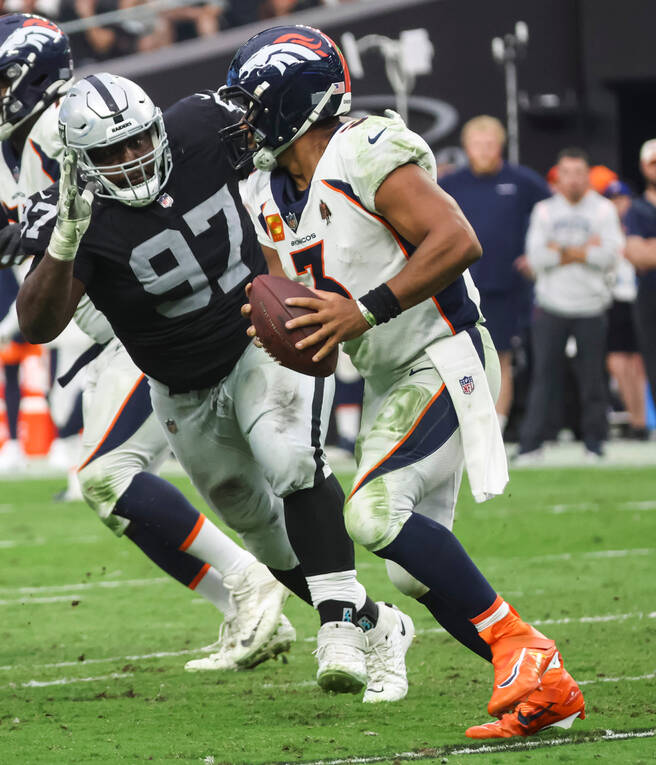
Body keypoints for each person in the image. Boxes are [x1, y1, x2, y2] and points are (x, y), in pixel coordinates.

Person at [0, 13, 293, 672]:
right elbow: (19, 235)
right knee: (114, 488)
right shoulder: (3, 147)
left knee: (109, 476)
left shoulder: (66, 130)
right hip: (112, 331)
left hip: (146, 322)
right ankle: (253, 602)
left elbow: (90, 219)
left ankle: (256, 584)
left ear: (32, 75)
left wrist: (36, 228)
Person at [225, 25, 583, 737]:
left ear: (295, 101)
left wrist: (361, 310)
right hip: (389, 373)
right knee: (415, 572)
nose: (245, 121)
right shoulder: (263, 188)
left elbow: (458, 241)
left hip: (446, 354)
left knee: (375, 514)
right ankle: (548, 690)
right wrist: (295, 336)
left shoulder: (367, 150)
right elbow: (304, 311)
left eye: (254, 104)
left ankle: (522, 647)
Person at [17, 70, 415, 697]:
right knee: (256, 526)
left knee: (290, 459)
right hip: (179, 387)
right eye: (110, 152)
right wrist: (64, 243)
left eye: (138, 140)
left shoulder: (203, 126)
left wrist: (296, 232)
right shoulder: (78, 215)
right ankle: (374, 620)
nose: (130, 158)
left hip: (260, 340)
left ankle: (338, 625)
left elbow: (291, 131)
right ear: (80, 161)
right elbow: (37, 324)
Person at [440, 116, 549, 432]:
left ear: (500, 146)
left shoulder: (523, 181)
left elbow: (551, 216)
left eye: (490, 144)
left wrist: (535, 254)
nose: (484, 150)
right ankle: (463, 426)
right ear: (466, 147)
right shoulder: (449, 184)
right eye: (478, 144)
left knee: (500, 356)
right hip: (458, 285)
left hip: (506, 286)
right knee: (460, 356)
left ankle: (496, 428)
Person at [517, 149, 622, 460]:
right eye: (567, 172)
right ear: (558, 177)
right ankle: (531, 444)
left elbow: (609, 256)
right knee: (544, 378)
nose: (574, 179)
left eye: (579, 172)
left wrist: (560, 249)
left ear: (587, 176)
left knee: (593, 381)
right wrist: (583, 250)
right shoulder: (544, 211)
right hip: (552, 305)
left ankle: (595, 444)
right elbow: (536, 259)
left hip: (591, 307)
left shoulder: (603, 211)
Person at [602, 180, 648, 440]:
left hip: (638, 296)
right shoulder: (602, 227)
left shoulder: (638, 223)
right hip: (613, 298)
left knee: (638, 362)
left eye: (622, 199)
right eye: (612, 200)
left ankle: (640, 421)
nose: (618, 205)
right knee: (618, 361)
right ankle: (633, 417)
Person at [623, 139, 656, 410]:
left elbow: (646, 252)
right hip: (650, 295)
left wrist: (649, 246)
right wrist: (644, 251)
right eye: (653, 163)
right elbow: (636, 255)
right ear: (644, 167)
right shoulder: (637, 209)